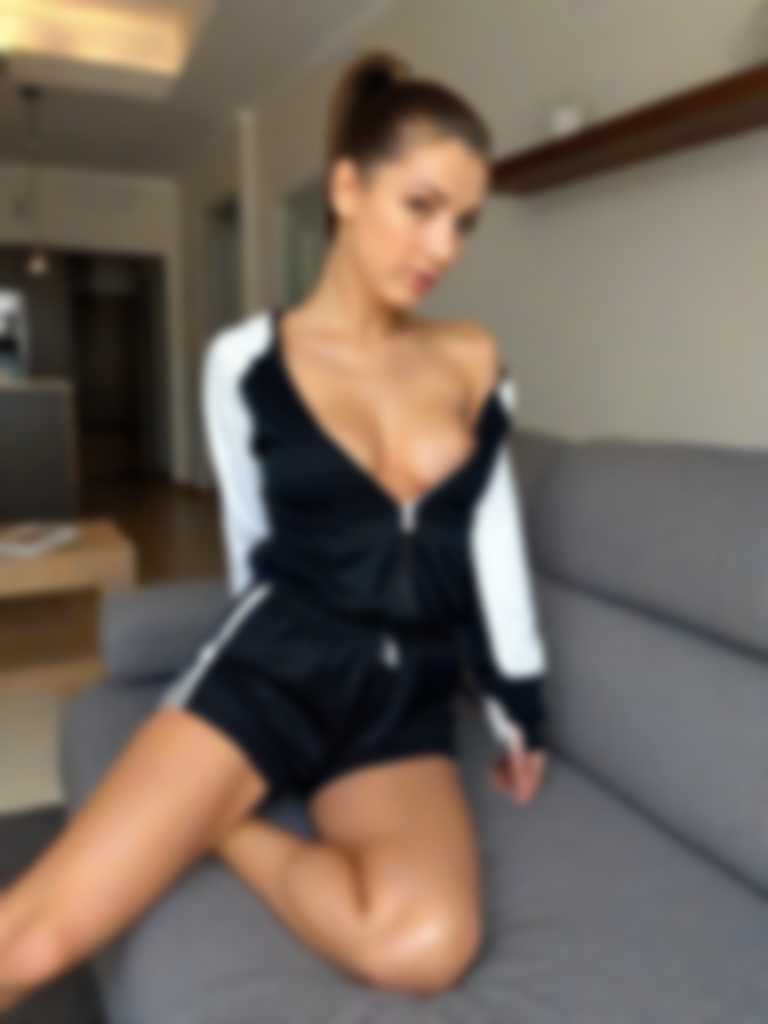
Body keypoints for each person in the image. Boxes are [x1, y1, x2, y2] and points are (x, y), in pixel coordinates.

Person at [0, 48, 550, 1011]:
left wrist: (518, 708)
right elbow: (255, 548)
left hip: (402, 699)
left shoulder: (471, 358)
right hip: (278, 663)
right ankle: (210, 792)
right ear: (346, 189)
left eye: (463, 221)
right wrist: (224, 717)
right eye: (421, 206)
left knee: (426, 944)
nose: (443, 246)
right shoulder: (244, 361)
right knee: (34, 936)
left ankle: (222, 827)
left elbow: (490, 540)